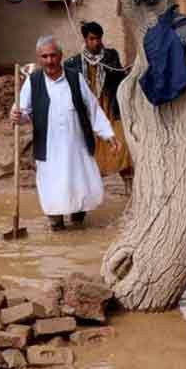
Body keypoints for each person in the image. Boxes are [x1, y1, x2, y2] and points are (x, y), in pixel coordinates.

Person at [10, 36, 118, 231]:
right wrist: (17, 115)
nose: (49, 61)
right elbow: (23, 112)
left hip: (76, 145)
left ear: (60, 56)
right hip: (49, 147)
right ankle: (56, 224)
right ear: (39, 58)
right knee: (53, 188)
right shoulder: (32, 82)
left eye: (53, 55)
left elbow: (92, 108)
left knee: (80, 186)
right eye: (45, 56)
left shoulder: (75, 78)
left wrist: (108, 134)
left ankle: (78, 222)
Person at [64, 21, 134, 194]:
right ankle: (89, 191)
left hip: (110, 107)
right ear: (85, 40)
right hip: (88, 112)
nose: (96, 42)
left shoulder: (110, 56)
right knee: (90, 150)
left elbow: (119, 79)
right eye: (92, 39)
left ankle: (129, 187)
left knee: (121, 144)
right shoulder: (74, 62)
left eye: (98, 38)